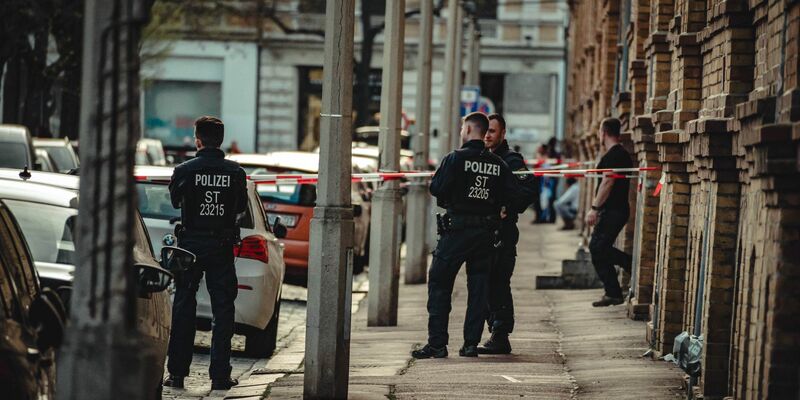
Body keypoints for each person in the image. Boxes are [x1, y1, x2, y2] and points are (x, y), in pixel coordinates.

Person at [411, 112, 524, 359]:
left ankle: (437, 344)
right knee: (479, 288)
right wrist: (500, 208)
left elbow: (437, 188)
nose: (461, 132)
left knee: (440, 283)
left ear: (470, 130)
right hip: (485, 234)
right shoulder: (498, 164)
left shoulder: (455, 158)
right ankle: (470, 344)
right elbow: (515, 195)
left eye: (463, 128)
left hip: (456, 231)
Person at [164, 116, 247, 390]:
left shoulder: (185, 170)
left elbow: (175, 201)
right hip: (221, 246)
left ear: (198, 140)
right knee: (223, 311)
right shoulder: (235, 172)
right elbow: (240, 208)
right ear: (220, 141)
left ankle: (177, 374)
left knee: (183, 306)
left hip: (190, 245)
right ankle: (220, 377)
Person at [478, 113, 536, 354]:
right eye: (485, 131)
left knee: (498, 283)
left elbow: (529, 188)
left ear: (502, 133)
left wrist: (508, 207)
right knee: (483, 283)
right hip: (482, 232)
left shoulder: (511, 160)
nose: (487, 136)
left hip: (503, 232)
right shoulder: (479, 157)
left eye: (492, 131)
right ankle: (494, 331)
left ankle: (501, 335)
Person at [584, 117, 633, 307]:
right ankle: (613, 292)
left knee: (597, 248)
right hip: (614, 210)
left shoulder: (615, 155)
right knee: (599, 248)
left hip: (614, 210)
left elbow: (607, 182)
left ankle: (628, 267)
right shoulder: (616, 153)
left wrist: (594, 209)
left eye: (599, 131)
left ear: (603, 133)